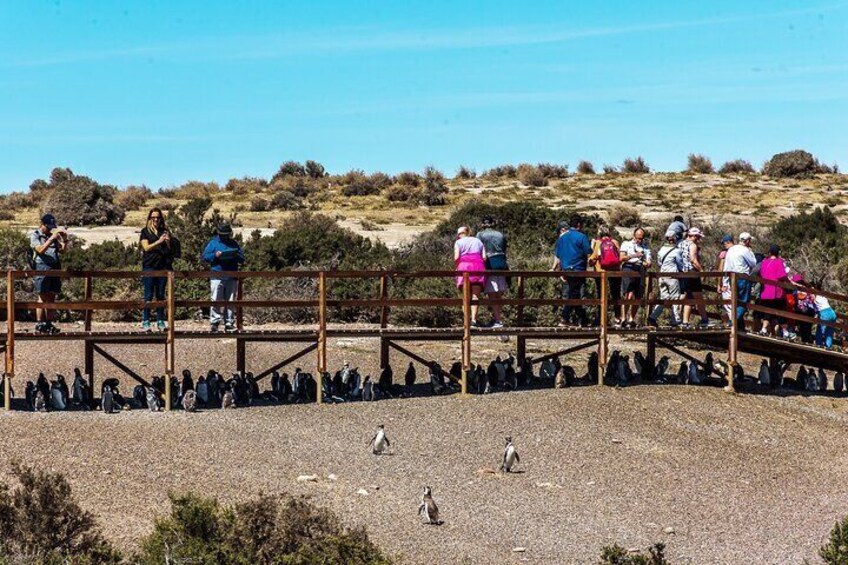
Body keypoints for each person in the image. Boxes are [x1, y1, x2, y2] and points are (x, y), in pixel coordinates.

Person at [201, 223, 245, 332]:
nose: (224, 236)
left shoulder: (234, 243)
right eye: (222, 234)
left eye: (226, 234)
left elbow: (242, 258)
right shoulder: (213, 243)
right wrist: (215, 256)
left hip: (231, 275)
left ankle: (229, 322)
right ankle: (214, 322)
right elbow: (205, 257)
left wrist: (234, 255)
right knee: (215, 299)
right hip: (217, 274)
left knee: (230, 300)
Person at [30, 214, 68, 334]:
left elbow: (62, 251)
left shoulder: (52, 236)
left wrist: (65, 239)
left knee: (52, 296)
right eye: (49, 226)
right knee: (42, 295)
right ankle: (39, 323)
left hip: (54, 267)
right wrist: (52, 238)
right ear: (43, 224)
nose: (51, 229)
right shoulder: (35, 235)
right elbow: (40, 250)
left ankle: (49, 323)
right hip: (41, 267)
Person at [139, 208, 176, 331]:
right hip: (149, 265)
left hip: (163, 266)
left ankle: (160, 320)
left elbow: (170, 250)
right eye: (153, 217)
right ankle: (146, 320)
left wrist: (168, 242)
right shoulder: (145, 232)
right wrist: (158, 241)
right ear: (150, 218)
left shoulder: (164, 231)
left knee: (160, 295)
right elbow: (146, 247)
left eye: (158, 217)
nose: (155, 219)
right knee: (148, 294)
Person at [551, 216, 592, 327]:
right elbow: (588, 251)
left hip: (565, 269)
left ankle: (583, 319)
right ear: (579, 225)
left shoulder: (562, 238)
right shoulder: (581, 236)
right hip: (578, 270)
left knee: (573, 294)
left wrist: (560, 269)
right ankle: (565, 318)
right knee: (574, 295)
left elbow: (558, 255)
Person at [477, 215, 508, 328]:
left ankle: (498, 320)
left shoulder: (480, 235)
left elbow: (480, 251)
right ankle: (497, 318)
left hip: (490, 264)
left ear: (482, 224)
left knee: (492, 294)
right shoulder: (500, 234)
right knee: (499, 294)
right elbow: (504, 249)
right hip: (502, 264)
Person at [757, 245, 794, 339]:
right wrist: (789, 281)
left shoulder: (764, 262)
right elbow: (781, 275)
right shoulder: (779, 262)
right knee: (781, 311)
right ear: (778, 253)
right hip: (776, 292)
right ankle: (785, 332)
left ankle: (764, 329)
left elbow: (761, 274)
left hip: (765, 291)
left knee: (767, 311)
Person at [648, 230, 683, 327]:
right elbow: (680, 264)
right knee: (675, 298)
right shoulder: (677, 250)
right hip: (672, 276)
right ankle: (676, 320)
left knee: (664, 298)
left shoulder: (661, 250)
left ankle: (653, 317)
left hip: (662, 275)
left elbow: (659, 263)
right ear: (674, 238)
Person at [589, 225, 622, 326]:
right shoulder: (615, 242)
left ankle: (602, 319)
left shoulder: (598, 243)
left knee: (601, 295)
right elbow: (619, 257)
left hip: (601, 272)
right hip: (615, 272)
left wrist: (591, 247)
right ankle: (617, 318)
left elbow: (592, 260)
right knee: (616, 295)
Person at [619, 227, 652, 328]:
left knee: (638, 295)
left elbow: (649, 261)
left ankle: (631, 319)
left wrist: (647, 263)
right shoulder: (626, 244)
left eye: (641, 238)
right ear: (634, 236)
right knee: (628, 293)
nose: (639, 240)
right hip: (628, 267)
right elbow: (621, 258)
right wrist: (634, 256)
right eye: (638, 238)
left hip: (640, 269)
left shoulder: (645, 247)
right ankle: (623, 317)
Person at [454, 226, 487, 327]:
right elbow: (484, 257)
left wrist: (457, 267)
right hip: (477, 267)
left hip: (464, 267)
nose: (459, 236)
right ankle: (474, 320)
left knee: (465, 295)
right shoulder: (478, 241)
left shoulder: (458, 242)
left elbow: (456, 257)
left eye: (459, 234)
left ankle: (466, 321)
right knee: (475, 295)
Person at [722, 232, 757, 324]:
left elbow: (726, 266)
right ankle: (733, 321)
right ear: (747, 241)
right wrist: (750, 251)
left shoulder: (731, 249)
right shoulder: (745, 250)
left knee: (735, 300)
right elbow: (753, 263)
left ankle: (738, 325)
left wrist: (725, 282)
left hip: (731, 277)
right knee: (743, 302)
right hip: (742, 277)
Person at [677, 227, 709, 327]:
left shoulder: (680, 243)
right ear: (694, 236)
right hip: (692, 273)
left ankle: (682, 319)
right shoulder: (693, 245)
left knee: (688, 296)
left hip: (682, 272)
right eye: (698, 237)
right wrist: (702, 270)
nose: (699, 239)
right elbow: (693, 260)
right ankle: (698, 320)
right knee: (695, 296)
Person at [717, 235, 734, 323]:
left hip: (727, 282)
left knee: (728, 304)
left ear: (727, 242)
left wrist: (719, 284)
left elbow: (721, 269)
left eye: (724, 243)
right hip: (738, 281)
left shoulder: (724, 253)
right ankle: (737, 323)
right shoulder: (738, 251)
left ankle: (732, 323)